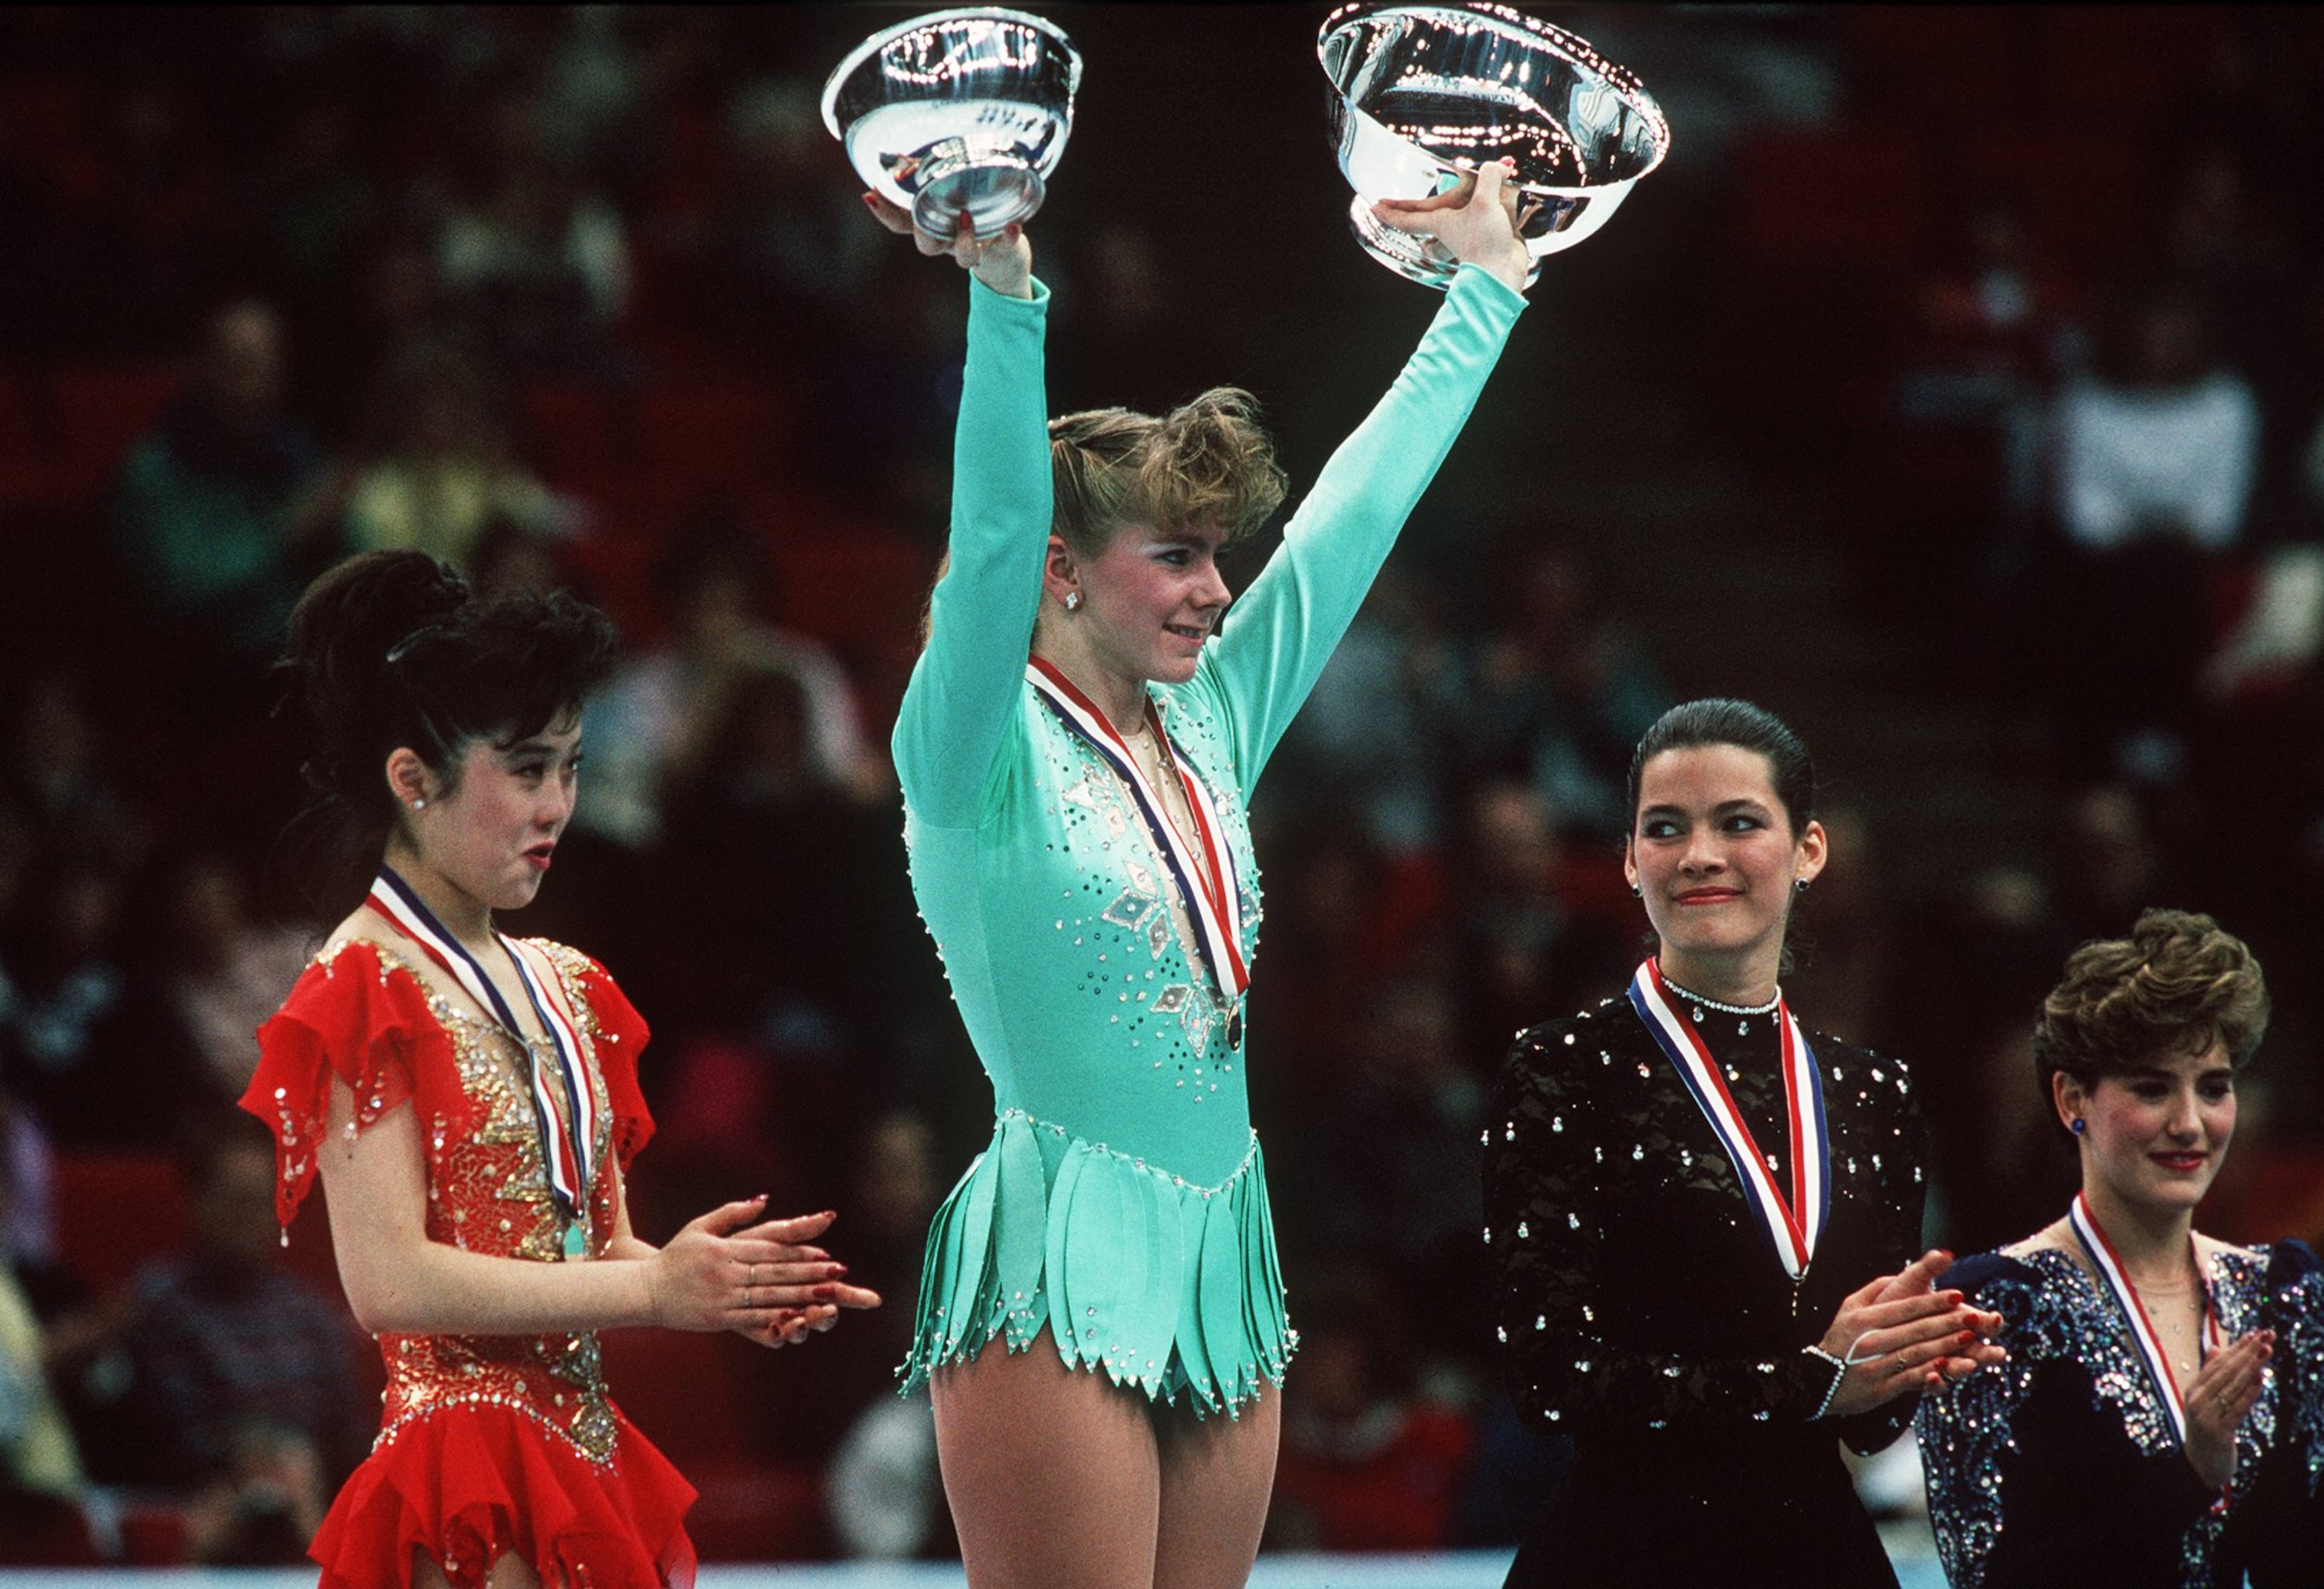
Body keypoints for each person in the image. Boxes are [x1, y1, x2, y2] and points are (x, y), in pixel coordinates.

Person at [873, 161, 1534, 1588]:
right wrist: (1003, 304)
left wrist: (1484, 292)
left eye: (1214, 556)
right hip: (1057, 1244)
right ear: (1063, 572)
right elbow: (984, 541)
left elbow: (1354, 519)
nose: (1211, 591)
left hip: (1223, 1238)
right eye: (1170, 557)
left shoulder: (1211, 718)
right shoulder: (968, 750)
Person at [238, 550, 879, 1589]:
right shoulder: (359, 981)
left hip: (579, 1453)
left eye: (573, 767)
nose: (558, 806)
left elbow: (596, 1246)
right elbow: (389, 1283)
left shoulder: (569, 984)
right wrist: (658, 1291)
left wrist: (709, 1285)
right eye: (527, 768)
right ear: (413, 780)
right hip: (461, 1467)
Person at [1483, 699, 2007, 1588]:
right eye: (1665, 828)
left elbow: (1867, 1423)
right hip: (1624, 1553)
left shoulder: (1876, 1093)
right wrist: (1812, 1381)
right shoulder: (1560, 1069)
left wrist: (1914, 1364)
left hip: (1815, 1553)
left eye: (1738, 822)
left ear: (1808, 850)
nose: (1699, 855)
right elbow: (1554, 1381)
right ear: (1629, 859)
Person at [1916, 910, 2324, 1588]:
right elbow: (1991, 1579)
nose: (2191, 1123)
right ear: (2072, 1096)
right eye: (2152, 1087)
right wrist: (2188, 1478)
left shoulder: (2283, 1293)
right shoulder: (1991, 1308)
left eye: (2214, 1088)